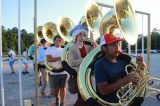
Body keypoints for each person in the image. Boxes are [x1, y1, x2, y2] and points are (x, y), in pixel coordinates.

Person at [94, 33, 145, 105]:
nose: (117, 47)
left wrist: (139, 67)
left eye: (117, 44)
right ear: (104, 48)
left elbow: (133, 76)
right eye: (113, 45)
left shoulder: (123, 60)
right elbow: (103, 90)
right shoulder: (99, 64)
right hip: (108, 103)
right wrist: (126, 79)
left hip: (126, 101)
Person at [67, 24, 97, 106]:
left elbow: (97, 53)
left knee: (90, 94)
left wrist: (94, 43)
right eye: (80, 34)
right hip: (79, 74)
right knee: (81, 96)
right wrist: (86, 59)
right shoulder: (72, 48)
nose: (83, 36)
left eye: (84, 34)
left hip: (89, 74)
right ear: (76, 36)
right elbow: (72, 62)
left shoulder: (88, 46)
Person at [46, 35, 68, 106]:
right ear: (54, 41)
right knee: (56, 89)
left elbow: (67, 59)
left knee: (63, 88)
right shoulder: (50, 48)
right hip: (54, 72)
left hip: (63, 71)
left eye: (60, 40)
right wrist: (60, 58)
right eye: (57, 40)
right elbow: (49, 59)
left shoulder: (64, 49)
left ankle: (62, 101)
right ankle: (57, 98)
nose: (58, 42)